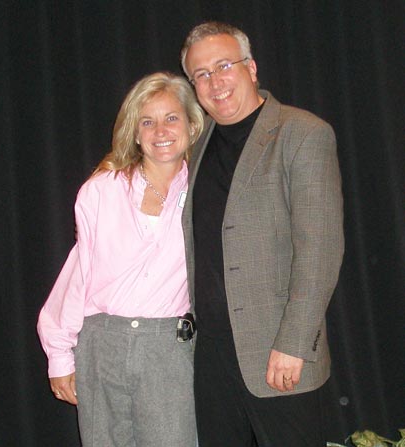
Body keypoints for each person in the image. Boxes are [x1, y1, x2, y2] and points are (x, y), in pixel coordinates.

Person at [180, 22, 344, 446]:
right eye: (200, 74)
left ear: (251, 68)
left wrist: (293, 343)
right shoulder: (195, 148)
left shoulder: (303, 133)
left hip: (278, 353)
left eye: (223, 65)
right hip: (211, 359)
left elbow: (320, 251)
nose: (214, 81)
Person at [37, 71, 203, 447]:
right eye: (148, 121)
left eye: (171, 118)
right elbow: (79, 274)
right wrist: (60, 356)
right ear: (135, 131)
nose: (160, 130)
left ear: (192, 126)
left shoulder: (206, 192)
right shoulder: (100, 192)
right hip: (101, 345)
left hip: (168, 349)